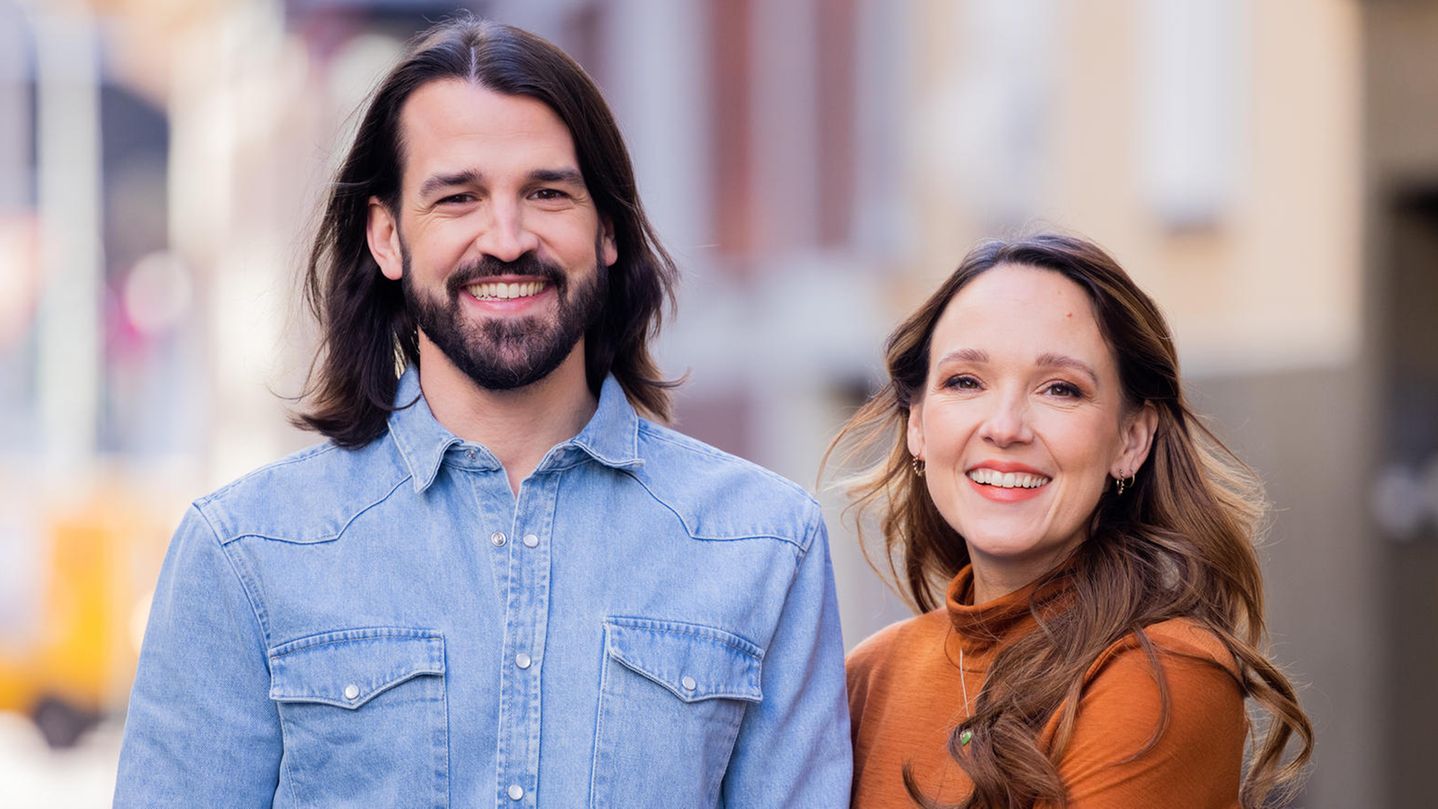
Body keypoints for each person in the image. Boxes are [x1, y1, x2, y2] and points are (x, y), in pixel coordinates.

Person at [114, 17, 850, 808]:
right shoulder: (245, 553)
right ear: (387, 237)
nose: (506, 238)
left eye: (546, 193)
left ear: (605, 228)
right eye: (458, 197)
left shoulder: (768, 545)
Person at [833, 233, 1312, 808]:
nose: (1005, 426)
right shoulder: (868, 677)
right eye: (965, 381)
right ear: (916, 425)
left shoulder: (1163, 675)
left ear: (1131, 439)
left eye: (1060, 389)